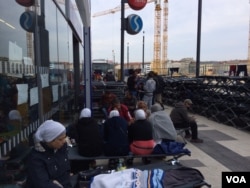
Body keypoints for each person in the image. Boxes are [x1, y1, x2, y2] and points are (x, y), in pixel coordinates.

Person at [26, 120, 73, 188]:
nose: (64, 141)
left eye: (64, 137)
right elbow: (42, 183)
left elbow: (65, 169)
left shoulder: (61, 147)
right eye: (60, 139)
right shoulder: (36, 158)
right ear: (49, 140)